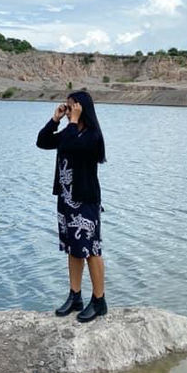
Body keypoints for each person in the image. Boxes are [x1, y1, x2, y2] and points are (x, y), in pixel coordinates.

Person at [36, 90, 107, 322]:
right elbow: (43, 141)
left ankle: (99, 300)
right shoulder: (70, 131)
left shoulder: (92, 136)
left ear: (81, 107)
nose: (68, 111)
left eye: (71, 106)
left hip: (85, 201)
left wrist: (73, 121)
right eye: (66, 107)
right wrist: (55, 119)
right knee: (72, 248)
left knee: (91, 250)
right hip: (66, 199)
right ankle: (75, 295)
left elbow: (73, 145)